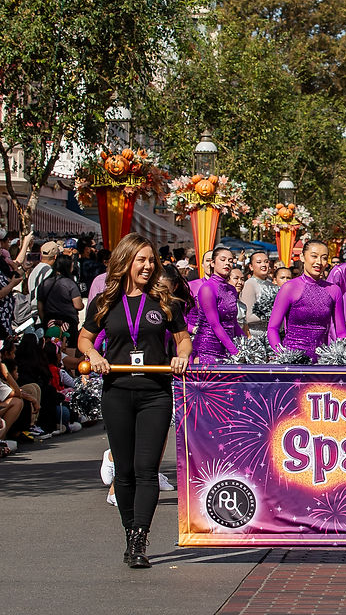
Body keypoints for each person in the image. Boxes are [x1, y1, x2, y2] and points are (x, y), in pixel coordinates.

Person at [77, 233, 191, 569]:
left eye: (151, 260)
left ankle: (140, 538)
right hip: (117, 391)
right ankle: (129, 532)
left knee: (147, 470)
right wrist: (94, 354)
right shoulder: (104, 302)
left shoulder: (165, 302)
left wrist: (181, 356)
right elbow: (84, 339)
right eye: (140, 259)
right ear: (126, 261)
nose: (147, 266)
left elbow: (183, 340)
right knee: (124, 471)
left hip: (155, 392)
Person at [266, 241, 345, 360]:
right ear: (302, 257)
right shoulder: (289, 287)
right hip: (293, 363)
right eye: (314, 256)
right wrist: (283, 357)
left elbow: (341, 332)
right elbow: (272, 328)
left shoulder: (334, 290)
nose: (319, 262)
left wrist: (342, 357)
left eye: (324, 258)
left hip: (322, 363)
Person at [191, 248, 241, 364]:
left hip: (228, 348)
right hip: (208, 350)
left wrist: (246, 345)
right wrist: (235, 351)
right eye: (222, 260)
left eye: (230, 260)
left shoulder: (232, 289)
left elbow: (234, 323)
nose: (227, 263)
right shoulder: (207, 288)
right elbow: (214, 324)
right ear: (213, 263)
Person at [36, 255, 84, 353]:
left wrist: (45, 320)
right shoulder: (70, 284)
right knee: (69, 350)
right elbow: (78, 305)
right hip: (68, 322)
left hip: (49, 322)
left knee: (51, 350)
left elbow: (40, 307)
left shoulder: (45, 283)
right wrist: (83, 304)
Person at [240, 251, 274, 337]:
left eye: (266, 262)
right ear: (251, 267)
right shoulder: (250, 284)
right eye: (259, 262)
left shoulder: (271, 285)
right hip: (255, 336)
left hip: (270, 334)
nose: (263, 265)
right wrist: (272, 314)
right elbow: (248, 317)